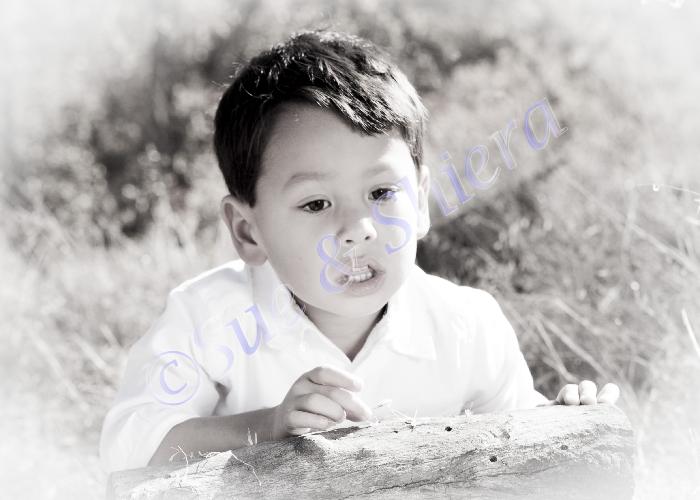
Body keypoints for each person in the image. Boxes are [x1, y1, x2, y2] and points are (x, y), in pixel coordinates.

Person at [99, 30, 620, 473]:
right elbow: (130, 446)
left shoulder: (467, 326)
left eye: (382, 193)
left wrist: (567, 419)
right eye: (316, 203)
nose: (358, 230)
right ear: (248, 231)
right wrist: (266, 427)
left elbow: (521, 438)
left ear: (419, 201)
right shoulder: (207, 319)